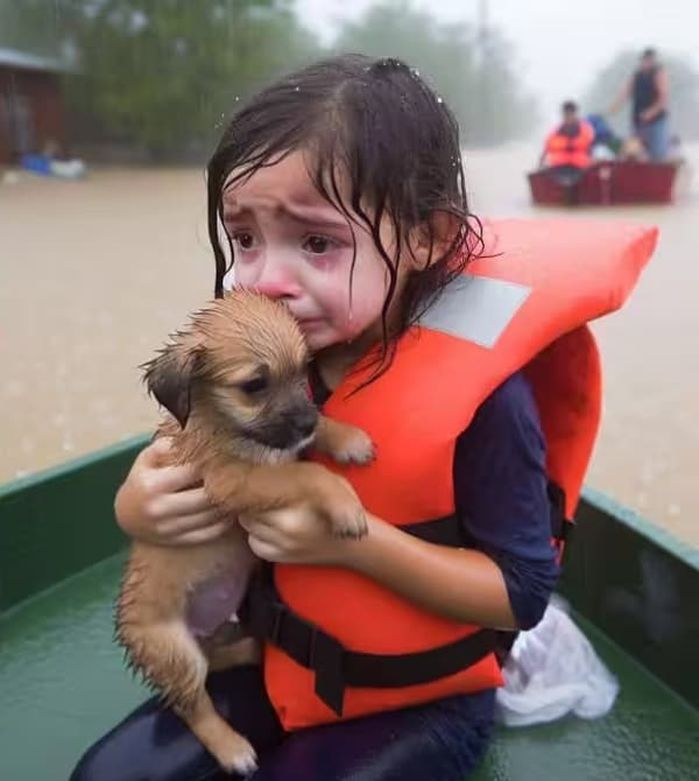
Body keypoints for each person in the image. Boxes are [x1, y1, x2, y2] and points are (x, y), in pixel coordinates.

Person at [70, 55, 641, 781]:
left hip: (419, 693)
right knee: (107, 777)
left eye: (315, 242)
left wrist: (355, 545)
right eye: (244, 238)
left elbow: (520, 596)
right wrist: (139, 506)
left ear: (427, 236)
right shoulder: (270, 352)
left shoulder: (489, 402)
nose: (268, 279)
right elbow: (192, 460)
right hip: (273, 654)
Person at [608, 47, 670, 161]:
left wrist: (651, 112)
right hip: (638, 121)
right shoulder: (636, 75)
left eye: (650, 60)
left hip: (656, 122)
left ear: (654, 61)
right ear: (641, 60)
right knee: (633, 153)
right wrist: (614, 107)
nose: (647, 62)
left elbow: (664, 98)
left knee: (657, 155)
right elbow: (625, 92)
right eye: (645, 60)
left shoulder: (659, 73)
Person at [539, 100, 595, 182]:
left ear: (575, 113)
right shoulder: (556, 129)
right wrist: (568, 144)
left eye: (570, 113)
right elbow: (549, 144)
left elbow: (585, 141)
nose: (568, 115)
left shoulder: (585, 128)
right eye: (566, 113)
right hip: (558, 166)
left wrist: (565, 144)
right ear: (563, 114)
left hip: (579, 166)